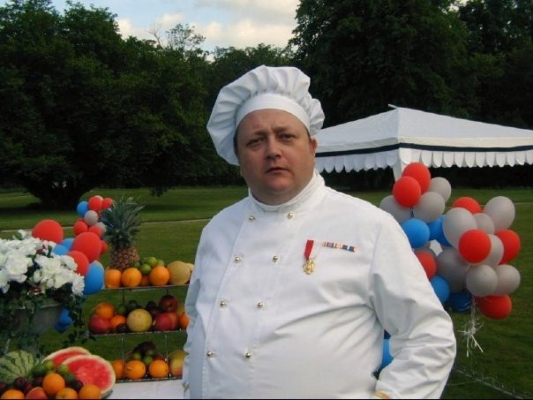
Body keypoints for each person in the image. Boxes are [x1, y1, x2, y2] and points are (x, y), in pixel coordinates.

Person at [182, 65, 456, 399]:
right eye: (255, 141)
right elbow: (197, 320)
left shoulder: (369, 226)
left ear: (312, 147)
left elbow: (428, 335)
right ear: (238, 157)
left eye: (286, 136)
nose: (272, 150)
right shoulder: (217, 230)